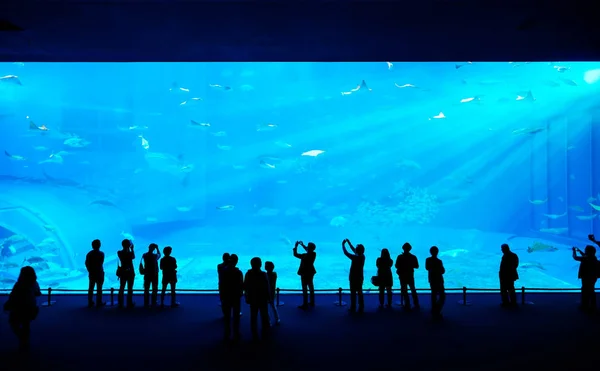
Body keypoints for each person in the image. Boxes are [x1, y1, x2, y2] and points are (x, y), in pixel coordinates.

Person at [2, 266, 42, 351]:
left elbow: (13, 296)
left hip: (19, 308)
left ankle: (22, 338)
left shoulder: (19, 284)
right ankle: (25, 341)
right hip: (31, 308)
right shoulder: (35, 283)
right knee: (26, 325)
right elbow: (38, 293)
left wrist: (7, 305)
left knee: (13, 323)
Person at [244, 257, 271, 341]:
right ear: (260, 264)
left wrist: (247, 297)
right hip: (262, 299)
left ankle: (254, 335)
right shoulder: (264, 274)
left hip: (253, 299)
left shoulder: (248, 274)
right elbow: (267, 287)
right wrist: (269, 297)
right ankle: (265, 334)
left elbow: (245, 286)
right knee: (264, 316)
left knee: (253, 316)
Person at [221, 254, 243, 341]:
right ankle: (236, 333)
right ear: (236, 262)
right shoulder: (238, 272)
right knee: (236, 315)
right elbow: (241, 284)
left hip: (226, 295)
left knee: (227, 316)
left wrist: (222, 295)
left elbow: (222, 284)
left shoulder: (223, 271)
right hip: (236, 296)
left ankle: (227, 333)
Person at [573, 239, 599, 311]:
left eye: (586, 250)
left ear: (588, 252)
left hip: (586, 277)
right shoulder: (594, 258)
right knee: (591, 290)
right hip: (593, 277)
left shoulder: (586, 259)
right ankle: (593, 305)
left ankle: (585, 305)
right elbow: (585, 256)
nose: (585, 251)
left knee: (585, 291)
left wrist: (574, 251)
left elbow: (575, 257)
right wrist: (580, 251)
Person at [342, 238, 365, 313]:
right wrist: (349, 243)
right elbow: (354, 250)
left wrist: (343, 245)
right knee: (360, 292)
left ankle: (353, 307)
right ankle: (361, 306)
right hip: (360, 277)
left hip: (353, 277)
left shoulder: (355, 257)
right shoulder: (362, 256)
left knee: (353, 293)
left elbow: (346, 253)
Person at [395, 242, 420, 310]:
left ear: (403, 248)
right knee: (413, 289)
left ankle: (407, 304)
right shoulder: (413, 257)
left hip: (402, 276)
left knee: (404, 290)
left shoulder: (400, 257)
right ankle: (416, 303)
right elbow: (417, 266)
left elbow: (396, 265)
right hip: (410, 275)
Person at [293, 241, 317, 309]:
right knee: (311, 287)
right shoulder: (313, 254)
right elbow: (307, 250)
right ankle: (312, 302)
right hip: (310, 272)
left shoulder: (305, 255)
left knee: (305, 288)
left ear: (309, 248)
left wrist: (296, 246)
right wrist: (302, 245)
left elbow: (295, 254)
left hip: (304, 273)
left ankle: (305, 304)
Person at [425, 246, 446, 319]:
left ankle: (434, 309)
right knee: (442, 296)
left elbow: (427, 268)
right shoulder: (439, 261)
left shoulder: (427, 260)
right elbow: (443, 271)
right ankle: (437, 310)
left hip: (432, 279)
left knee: (433, 295)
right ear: (437, 252)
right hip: (439, 280)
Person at [85, 239, 105, 308]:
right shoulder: (101, 254)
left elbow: (86, 263)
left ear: (92, 246)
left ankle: (90, 302)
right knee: (99, 288)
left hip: (92, 273)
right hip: (99, 273)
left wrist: (89, 270)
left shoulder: (89, 254)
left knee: (91, 288)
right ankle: (99, 302)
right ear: (100, 245)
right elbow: (101, 263)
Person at [141, 243, 161, 308]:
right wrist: (157, 248)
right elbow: (159, 255)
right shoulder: (154, 256)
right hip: (154, 274)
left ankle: (146, 302)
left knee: (146, 288)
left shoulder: (144, 255)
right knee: (154, 288)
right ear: (154, 249)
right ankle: (153, 301)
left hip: (147, 274)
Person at [117, 239, 136, 309]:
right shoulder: (130, 253)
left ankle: (120, 303)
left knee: (121, 287)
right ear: (129, 245)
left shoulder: (119, 252)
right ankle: (129, 303)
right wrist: (132, 249)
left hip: (123, 272)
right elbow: (133, 257)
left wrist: (129, 248)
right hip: (130, 272)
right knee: (130, 288)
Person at [499, 243, 519, 308]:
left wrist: (505, 272)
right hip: (510, 275)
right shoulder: (514, 255)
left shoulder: (506, 256)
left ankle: (506, 302)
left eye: (502, 249)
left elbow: (512, 265)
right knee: (511, 288)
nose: (501, 250)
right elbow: (516, 265)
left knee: (505, 289)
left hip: (506, 275)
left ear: (505, 249)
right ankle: (513, 302)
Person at [265, 261, 280, 325]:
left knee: (266, 308)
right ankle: (277, 319)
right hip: (272, 292)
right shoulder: (274, 274)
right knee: (273, 307)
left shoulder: (266, 275)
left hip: (267, 293)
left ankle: (269, 321)